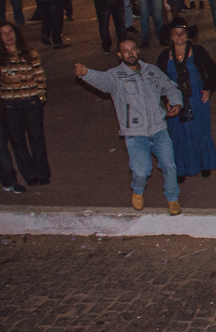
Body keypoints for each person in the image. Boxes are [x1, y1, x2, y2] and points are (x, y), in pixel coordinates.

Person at [75, 40, 182, 213]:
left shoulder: (152, 71)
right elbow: (101, 80)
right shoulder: (115, 76)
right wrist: (86, 73)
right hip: (135, 133)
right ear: (120, 55)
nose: (130, 53)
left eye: (133, 49)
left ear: (138, 51)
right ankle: (138, 191)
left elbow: (170, 87)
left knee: (169, 165)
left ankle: (172, 198)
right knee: (141, 171)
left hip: (159, 129)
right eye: (125, 51)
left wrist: (176, 102)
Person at [154, 19, 216, 184]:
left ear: (188, 35)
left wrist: (209, 88)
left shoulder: (198, 51)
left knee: (200, 131)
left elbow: (211, 68)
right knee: (177, 135)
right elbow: (157, 80)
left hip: (197, 98)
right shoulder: (164, 56)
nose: (179, 36)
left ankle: (204, 164)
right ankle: (181, 168)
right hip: (175, 100)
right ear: (170, 36)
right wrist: (165, 100)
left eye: (182, 33)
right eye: (175, 33)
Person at [0, 23, 49, 189]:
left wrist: (41, 97)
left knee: (37, 139)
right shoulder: (1, 58)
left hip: (31, 102)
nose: (8, 36)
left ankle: (43, 174)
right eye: (4, 34)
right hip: (10, 105)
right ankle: (30, 175)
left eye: (10, 32)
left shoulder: (30, 53)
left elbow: (40, 76)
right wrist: (6, 80)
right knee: (18, 142)